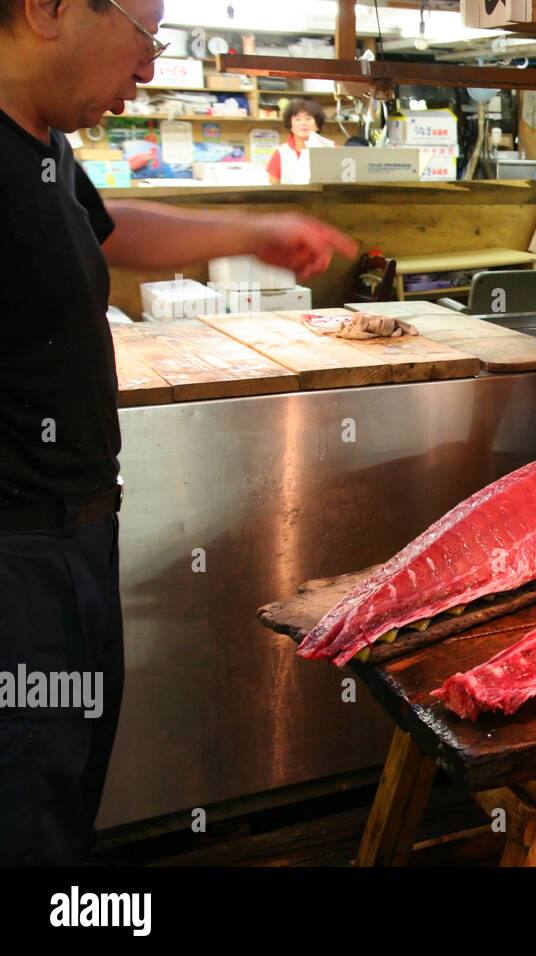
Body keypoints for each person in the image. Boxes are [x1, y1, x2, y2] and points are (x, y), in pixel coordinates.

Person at [0, 0, 356, 865]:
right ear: (48, 10)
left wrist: (254, 231)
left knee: (67, 795)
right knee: (27, 815)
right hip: (18, 558)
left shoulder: (38, 144)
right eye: (145, 35)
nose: (149, 69)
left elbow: (106, 227)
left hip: (74, 538)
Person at [266, 97, 334, 185]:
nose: (303, 123)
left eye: (308, 119)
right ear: (290, 125)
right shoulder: (281, 152)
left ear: (317, 125)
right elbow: (273, 187)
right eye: (297, 119)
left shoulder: (331, 148)